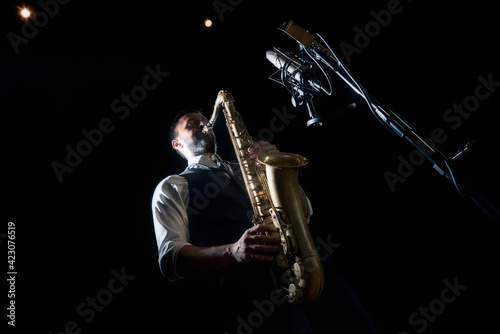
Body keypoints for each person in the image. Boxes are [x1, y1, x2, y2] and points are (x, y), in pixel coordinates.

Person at [152, 108, 378, 333]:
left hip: (313, 273)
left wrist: (273, 164)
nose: (204, 124)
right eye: (192, 123)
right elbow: (172, 260)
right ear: (177, 144)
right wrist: (233, 250)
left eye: (204, 120)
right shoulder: (172, 186)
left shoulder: (250, 167)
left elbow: (302, 213)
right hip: (254, 300)